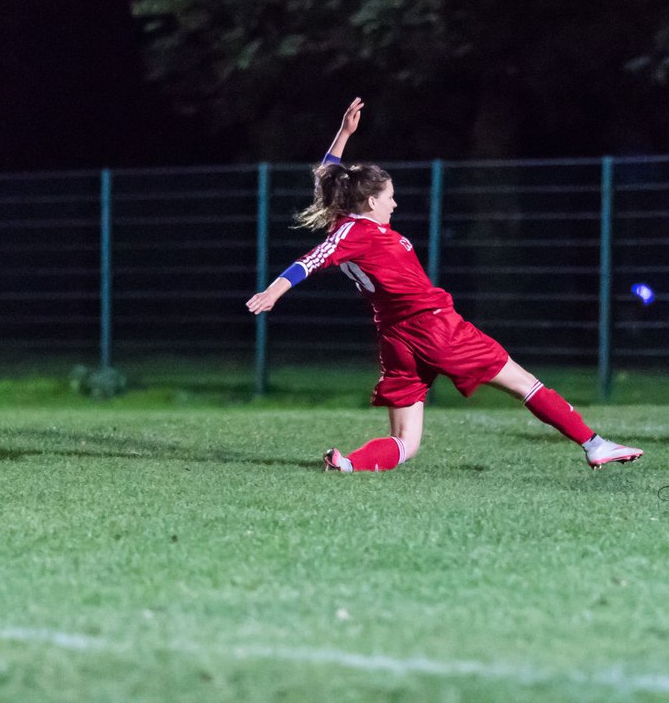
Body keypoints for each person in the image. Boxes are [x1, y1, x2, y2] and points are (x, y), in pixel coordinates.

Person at [246, 98, 643, 472]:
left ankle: (347, 463)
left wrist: (344, 133)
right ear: (370, 203)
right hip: (435, 327)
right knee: (525, 383)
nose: (394, 205)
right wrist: (274, 291)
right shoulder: (356, 233)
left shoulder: (343, 221)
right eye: (390, 197)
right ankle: (594, 445)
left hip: (396, 338)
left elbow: (327, 176)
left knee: (405, 442)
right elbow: (310, 260)